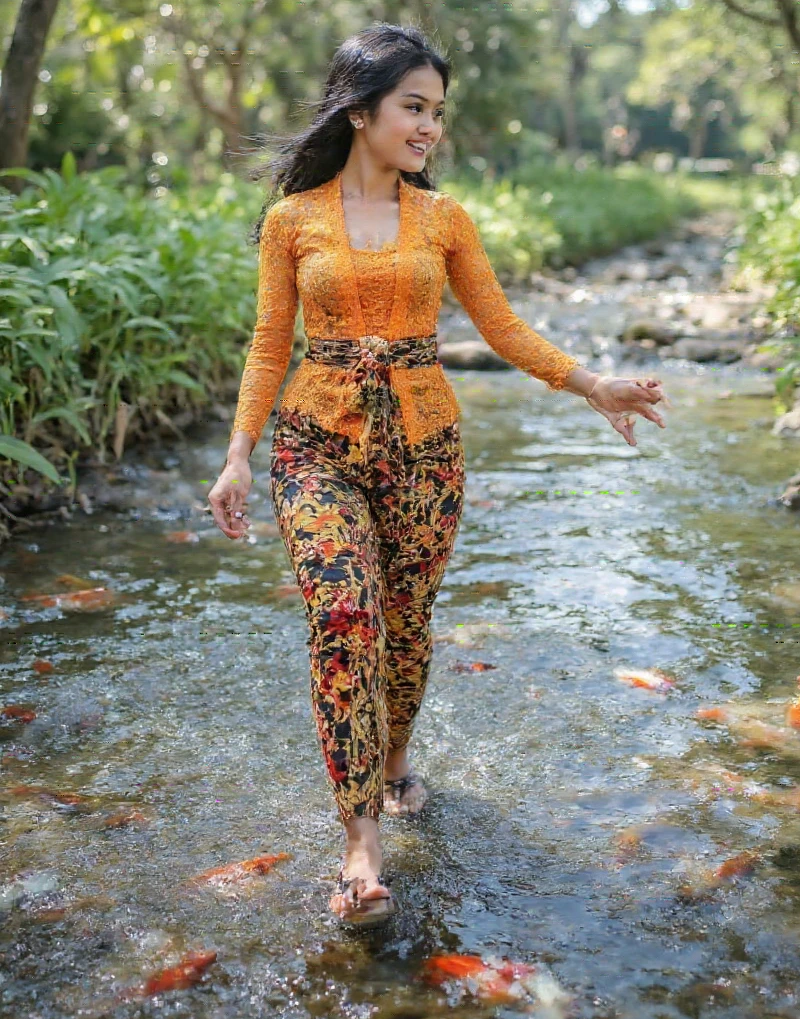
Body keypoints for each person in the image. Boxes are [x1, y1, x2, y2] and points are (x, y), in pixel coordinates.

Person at [207, 23, 668, 927]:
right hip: (316, 441)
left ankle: (395, 758)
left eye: (438, 113)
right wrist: (237, 454)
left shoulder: (445, 218)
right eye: (414, 108)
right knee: (345, 613)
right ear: (362, 109)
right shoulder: (291, 221)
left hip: (424, 448)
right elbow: (270, 343)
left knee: (407, 624)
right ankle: (361, 845)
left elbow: (499, 324)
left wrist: (589, 384)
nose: (429, 128)